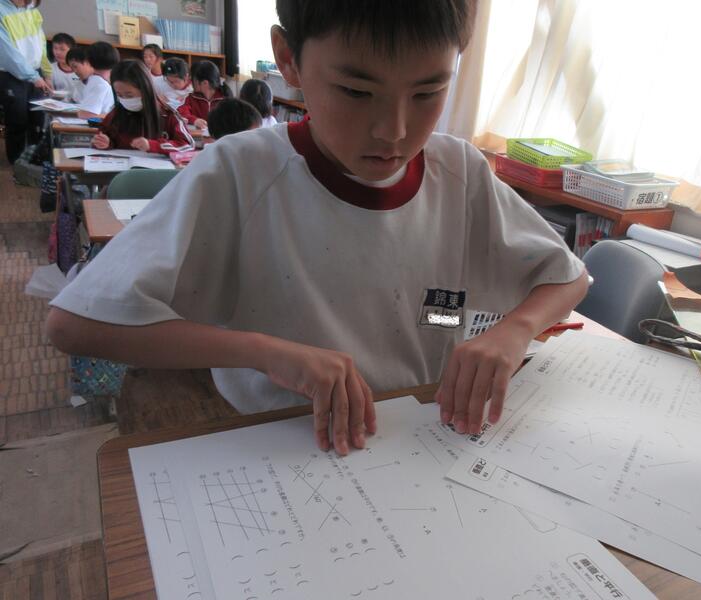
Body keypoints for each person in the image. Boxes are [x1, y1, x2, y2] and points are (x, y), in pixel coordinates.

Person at [46, 0, 588, 457]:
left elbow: (568, 278)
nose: (394, 130)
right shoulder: (242, 173)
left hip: (422, 437)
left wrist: (512, 331)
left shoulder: (460, 173)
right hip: (281, 445)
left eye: (428, 93)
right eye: (356, 91)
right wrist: (264, 352)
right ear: (289, 59)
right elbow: (74, 324)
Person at [91, 60, 194, 154]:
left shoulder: (166, 115)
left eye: (129, 95)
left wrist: (153, 145)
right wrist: (105, 142)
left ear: (145, 90)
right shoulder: (115, 114)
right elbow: (101, 136)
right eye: (119, 95)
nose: (125, 100)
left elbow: (188, 145)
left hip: (154, 167)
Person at [0, 0, 52, 164]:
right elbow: (7, 52)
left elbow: (41, 42)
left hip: (35, 72)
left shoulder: (31, 9)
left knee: (37, 119)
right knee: (18, 120)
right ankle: (17, 163)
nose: (28, 3)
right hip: (11, 74)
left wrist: (47, 72)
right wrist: (32, 76)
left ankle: (34, 160)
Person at [177, 60, 231, 131]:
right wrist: (194, 120)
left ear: (205, 83)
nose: (190, 82)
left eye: (192, 79)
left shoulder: (225, 99)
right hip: (198, 136)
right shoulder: (190, 98)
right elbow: (180, 113)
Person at [75, 41, 118, 119]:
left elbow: (87, 114)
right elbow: (87, 113)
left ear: (89, 61)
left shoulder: (98, 82)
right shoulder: (101, 82)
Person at [49, 32, 80, 99]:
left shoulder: (81, 68)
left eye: (62, 49)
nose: (57, 52)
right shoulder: (50, 69)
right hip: (58, 102)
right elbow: (49, 93)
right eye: (55, 48)